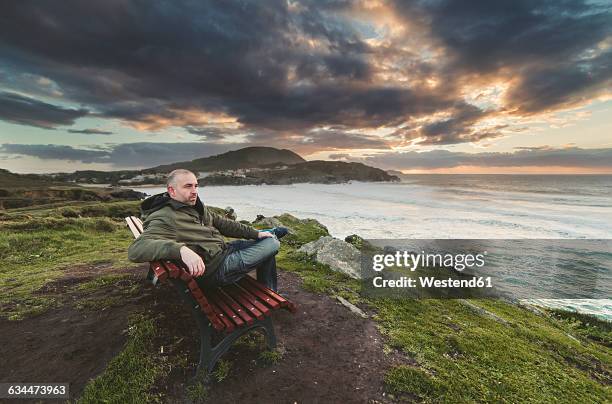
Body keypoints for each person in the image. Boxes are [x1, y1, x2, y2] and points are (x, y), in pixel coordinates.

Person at [128, 169, 284, 291]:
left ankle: (269, 289)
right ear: (172, 191)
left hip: (223, 250)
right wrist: (181, 250)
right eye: (188, 186)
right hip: (216, 268)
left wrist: (255, 233)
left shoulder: (195, 206)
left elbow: (222, 223)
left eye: (196, 185)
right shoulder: (165, 217)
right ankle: (274, 233)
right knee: (272, 243)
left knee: (265, 239)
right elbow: (136, 249)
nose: (194, 191)